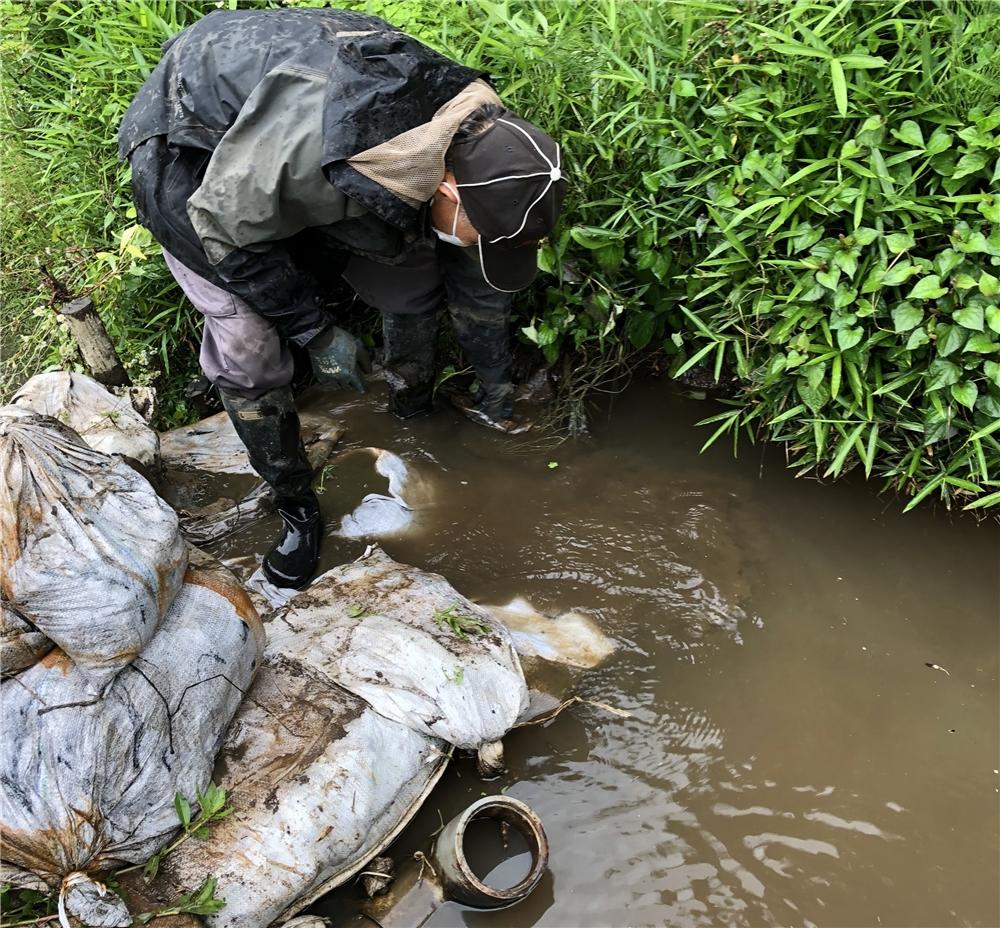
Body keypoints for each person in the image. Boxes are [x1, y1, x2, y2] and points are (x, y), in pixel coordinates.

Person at [118, 7, 567, 589]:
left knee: (414, 253)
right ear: (449, 188)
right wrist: (315, 331)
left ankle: (414, 403)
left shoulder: (474, 127)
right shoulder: (309, 160)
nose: (478, 244)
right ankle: (296, 507)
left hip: (294, 115)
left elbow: (457, 245)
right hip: (192, 155)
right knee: (251, 344)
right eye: (481, 232)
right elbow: (223, 233)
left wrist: (496, 394)